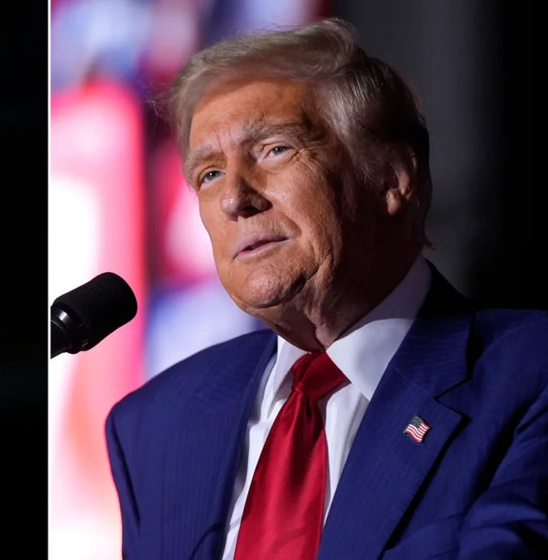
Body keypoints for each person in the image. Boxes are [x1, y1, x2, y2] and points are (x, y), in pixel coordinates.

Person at [105, 17, 548, 560]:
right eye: (210, 174)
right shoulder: (153, 424)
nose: (233, 200)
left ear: (392, 180)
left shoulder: (528, 375)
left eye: (273, 150)